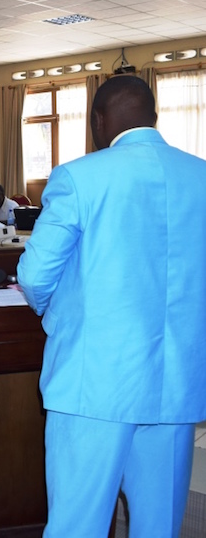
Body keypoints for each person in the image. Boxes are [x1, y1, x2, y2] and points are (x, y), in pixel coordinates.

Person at [17, 75, 206, 537]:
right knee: (158, 527)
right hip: (174, 386)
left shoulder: (79, 177)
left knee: (77, 526)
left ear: (98, 122)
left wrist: (56, 316)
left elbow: (35, 275)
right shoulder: (201, 177)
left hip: (93, 385)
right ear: (154, 117)